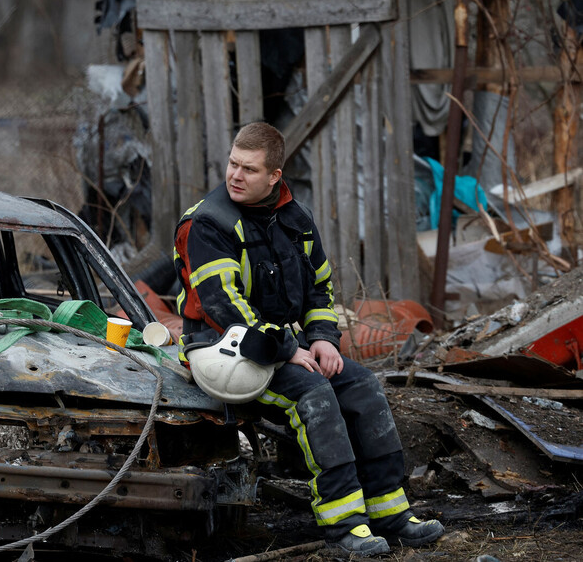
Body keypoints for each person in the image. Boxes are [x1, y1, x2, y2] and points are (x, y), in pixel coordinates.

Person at [172, 122, 443, 557]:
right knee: (313, 394)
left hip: (284, 346)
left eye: (249, 169)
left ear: (274, 176)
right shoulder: (207, 224)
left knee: (362, 386)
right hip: (223, 350)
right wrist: (287, 349)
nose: (235, 176)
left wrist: (323, 339)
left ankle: (391, 512)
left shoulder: (296, 219)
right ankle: (344, 526)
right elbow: (223, 305)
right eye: (232, 164)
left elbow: (320, 289)